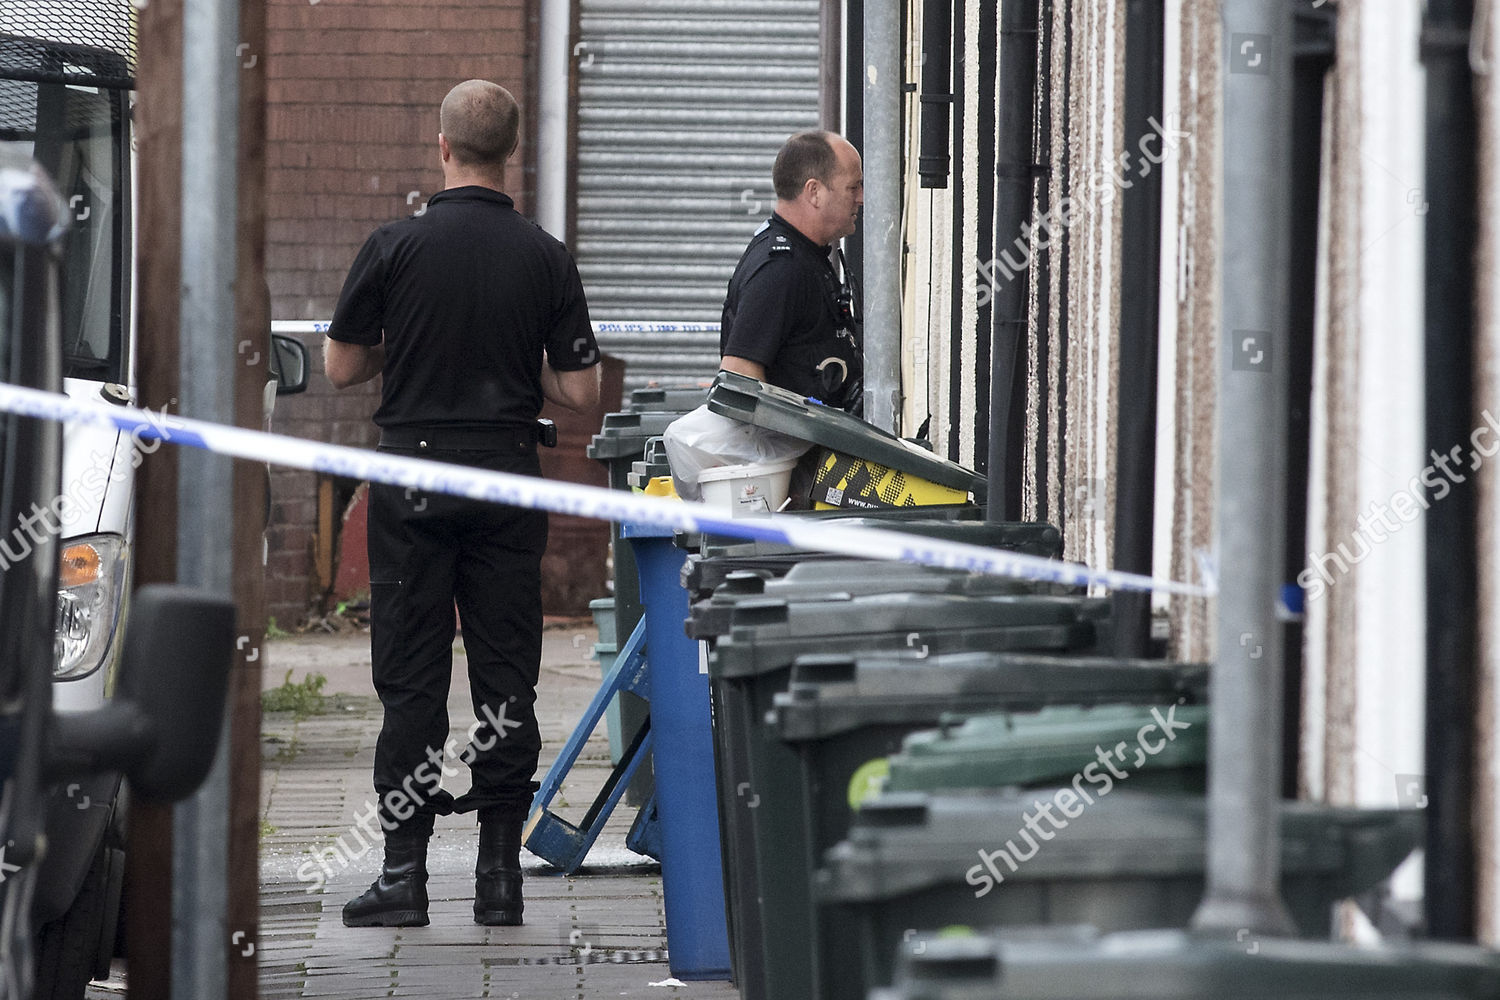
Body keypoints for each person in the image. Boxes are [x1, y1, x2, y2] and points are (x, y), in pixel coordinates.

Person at [324, 79, 601, 929]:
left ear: (442, 147)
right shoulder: (546, 255)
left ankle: (403, 878)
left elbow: (339, 366)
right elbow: (581, 389)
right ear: (511, 152)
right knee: (504, 677)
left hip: (413, 482)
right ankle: (497, 878)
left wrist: (397, 356)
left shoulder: (393, 245)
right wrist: (527, 370)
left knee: (411, 681)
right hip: (508, 479)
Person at [719, 130, 864, 411]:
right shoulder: (781, 268)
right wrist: (784, 450)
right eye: (853, 187)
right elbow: (738, 376)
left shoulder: (808, 256)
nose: (861, 198)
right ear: (815, 192)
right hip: (786, 453)